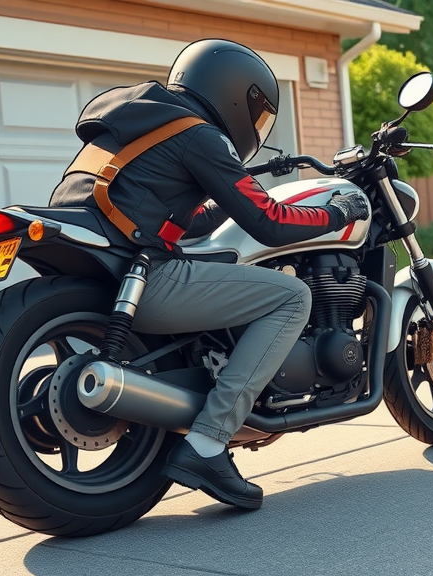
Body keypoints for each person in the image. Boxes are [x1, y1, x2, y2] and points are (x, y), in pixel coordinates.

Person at [49, 39, 369, 509]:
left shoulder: (139, 122)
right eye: (257, 111)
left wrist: (222, 202)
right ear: (236, 94)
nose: (256, 124)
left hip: (107, 265)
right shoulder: (201, 135)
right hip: (145, 276)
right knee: (292, 297)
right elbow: (270, 224)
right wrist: (338, 212)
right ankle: (209, 444)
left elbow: (169, 213)